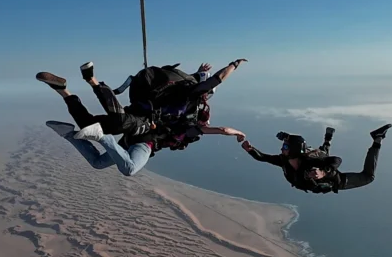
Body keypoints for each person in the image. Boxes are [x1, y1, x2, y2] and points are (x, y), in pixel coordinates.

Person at [36, 66, 246, 177]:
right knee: (129, 169)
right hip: (144, 141)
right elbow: (220, 129)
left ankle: (64, 100)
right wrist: (236, 133)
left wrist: (235, 132)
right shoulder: (190, 122)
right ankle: (100, 136)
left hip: (132, 135)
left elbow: (220, 128)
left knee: (97, 160)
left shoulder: (179, 103)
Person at [241, 124, 392, 193]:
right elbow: (264, 158)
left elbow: (337, 160)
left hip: (337, 181)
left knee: (368, 177)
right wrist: (251, 150)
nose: (282, 149)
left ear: (293, 150)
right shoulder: (284, 160)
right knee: (321, 153)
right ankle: (328, 139)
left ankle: (377, 139)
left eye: (286, 147)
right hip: (314, 169)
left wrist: (324, 172)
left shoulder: (311, 161)